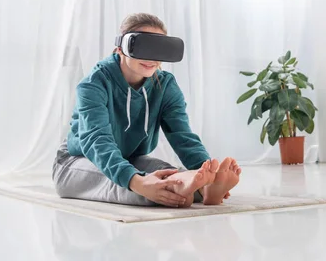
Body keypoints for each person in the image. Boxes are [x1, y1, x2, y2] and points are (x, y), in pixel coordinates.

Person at [52, 13, 241, 207]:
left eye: (158, 49)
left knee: (169, 174)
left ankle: (203, 189)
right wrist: (138, 182)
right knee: (129, 184)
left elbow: (183, 136)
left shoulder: (165, 85)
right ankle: (174, 192)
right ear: (120, 47)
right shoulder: (94, 84)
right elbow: (96, 140)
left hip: (131, 158)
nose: (151, 57)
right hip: (76, 161)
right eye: (144, 47)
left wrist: (206, 170)